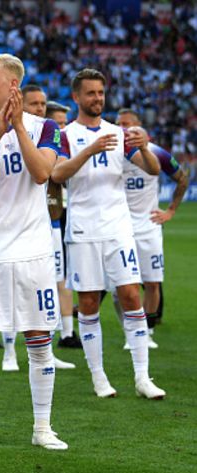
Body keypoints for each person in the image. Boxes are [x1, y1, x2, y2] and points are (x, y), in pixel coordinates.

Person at [0, 54, 67, 453]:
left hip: (35, 251)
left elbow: (43, 174)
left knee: (40, 341)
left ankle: (42, 428)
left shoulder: (48, 128)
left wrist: (18, 126)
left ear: (13, 85)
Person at [52, 69, 165, 400]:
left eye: (101, 93)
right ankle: (99, 376)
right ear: (76, 97)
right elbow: (57, 173)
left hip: (118, 228)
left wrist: (144, 148)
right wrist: (89, 150)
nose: (97, 98)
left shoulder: (118, 133)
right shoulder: (66, 135)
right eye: (90, 93)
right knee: (88, 302)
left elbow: (154, 169)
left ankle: (143, 377)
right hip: (84, 229)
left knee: (131, 294)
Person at [0, 84, 75, 373]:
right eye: (35, 103)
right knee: (10, 289)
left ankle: (47, 349)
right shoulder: (5, 135)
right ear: (19, 103)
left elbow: (54, 171)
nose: (41, 108)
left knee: (49, 288)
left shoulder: (51, 134)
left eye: (43, 103)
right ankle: (8, 351)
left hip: (50, 223)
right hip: (12, 225)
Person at [116, 108, 188, 346]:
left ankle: (146, 331)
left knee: (152, 282)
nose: (123, 128)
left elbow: (182, 178)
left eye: (128, 124)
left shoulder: (157, 153)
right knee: (121, 285)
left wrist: (171, 211)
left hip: (149, 226)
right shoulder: (112, 151)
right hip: (120, 227)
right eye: (119, 124)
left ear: (140, 128)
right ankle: (130, 330)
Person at [44, 100, 82, 349]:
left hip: (59, 218)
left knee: (62, 276)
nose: (63, 127)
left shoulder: (66, 146)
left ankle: (67, 333)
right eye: (58, 123)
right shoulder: (41, 146)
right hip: (35, 221)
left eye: (64, 122)